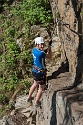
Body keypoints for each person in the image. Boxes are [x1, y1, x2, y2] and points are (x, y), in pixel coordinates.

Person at [26, 36, 52, 107]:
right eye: (41, 44)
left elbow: (42, 53)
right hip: (40, 73)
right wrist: (49, 47)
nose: (42, 45)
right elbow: (49, 56)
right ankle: (36, 102)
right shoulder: (41, 53)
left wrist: (46, 49)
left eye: (43, 44)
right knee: (41, 88)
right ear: (37, 44)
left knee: (35, 84)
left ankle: (29, 97)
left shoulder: (34, 50)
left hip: (34, 71)